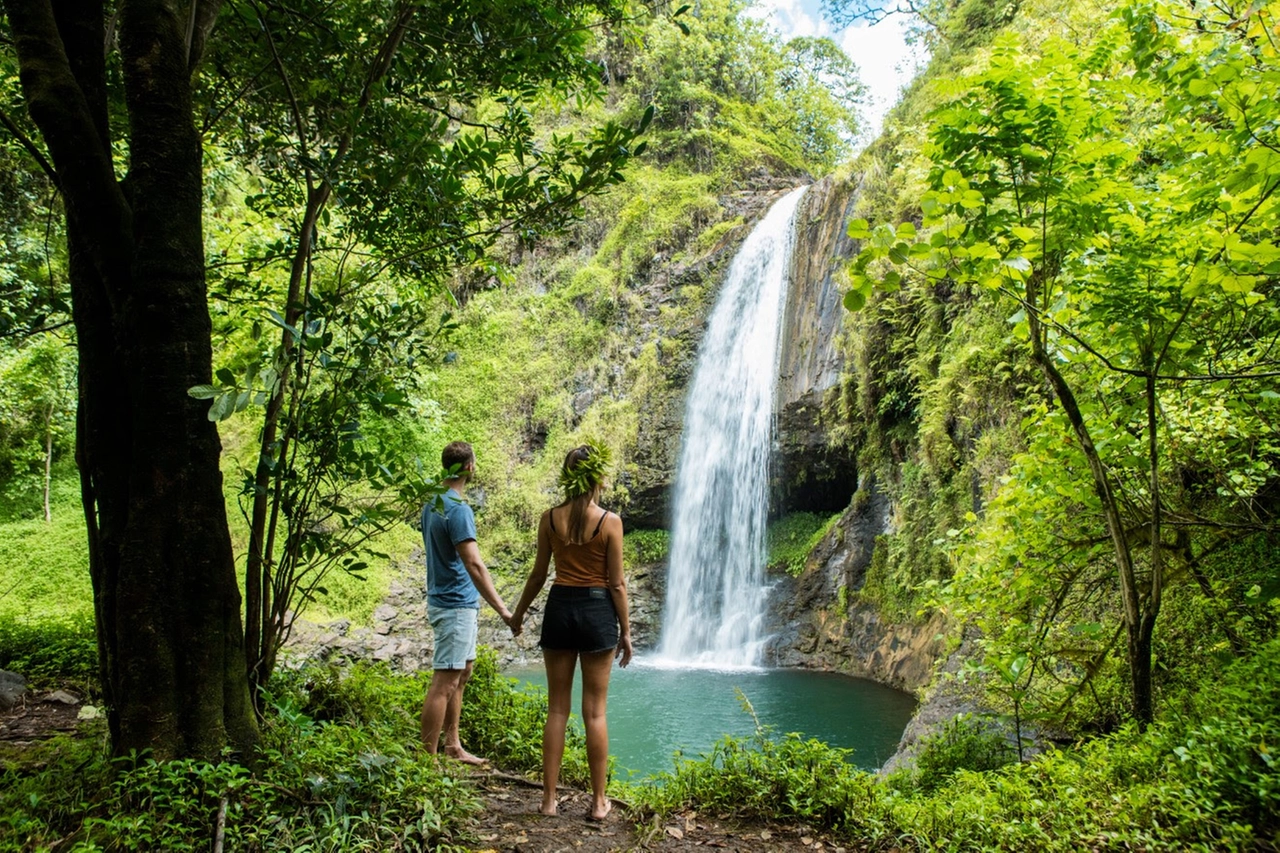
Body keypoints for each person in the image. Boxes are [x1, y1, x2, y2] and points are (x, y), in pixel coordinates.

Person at [511, 442, 632, 821]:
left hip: (560, 608)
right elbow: (617, 584)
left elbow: (538, 574)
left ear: (567, 476)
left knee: (557, 709)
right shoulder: (610, 521)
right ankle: (598, 803)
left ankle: (548, 801)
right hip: (597, 611)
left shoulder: (549, 519)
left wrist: (517, 615)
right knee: (594, 713)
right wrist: (626, 633)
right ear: (598, 477)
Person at [420, 440, 514, 764]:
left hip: (452, 601)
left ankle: (453, 745)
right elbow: (474, 564)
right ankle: (427, 761)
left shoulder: (433, 501)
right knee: (444, 681)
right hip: (454, 604)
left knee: (462, 673)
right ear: (470, 467)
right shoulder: (457, 509)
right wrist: (503, 609)